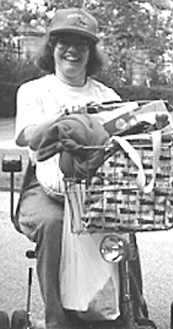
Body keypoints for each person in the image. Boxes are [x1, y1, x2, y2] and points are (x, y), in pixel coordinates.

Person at [15, 8, 145, 329]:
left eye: (82, 44)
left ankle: (132, 317)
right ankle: (59, 322)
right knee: (53, 224)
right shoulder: (34, 90)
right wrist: (64, 117)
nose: (72, 50)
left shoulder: (107, 95)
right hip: (46, 186)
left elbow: (124, 139)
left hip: (97, 184)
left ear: (91, 51)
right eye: (64, 42)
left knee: (123, 228)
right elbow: (26, 136)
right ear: (52, 47)